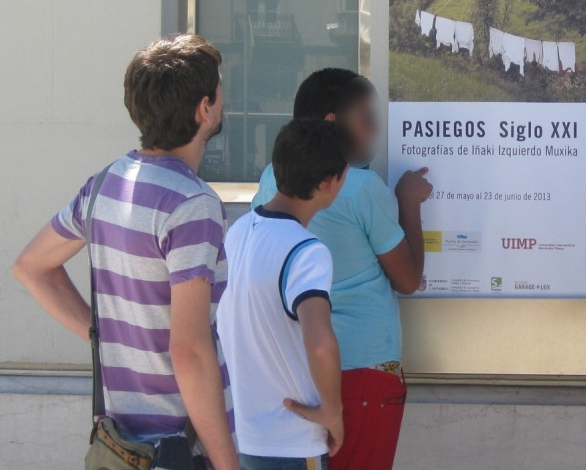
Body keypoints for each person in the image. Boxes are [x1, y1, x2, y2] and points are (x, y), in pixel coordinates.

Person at [12, 35, 239, 469]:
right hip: (175, 450)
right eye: (221, 90)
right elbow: (189, 351)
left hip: (117, 449)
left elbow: (32, 267)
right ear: (204, 108)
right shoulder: (193, 204)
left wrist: (105, 338)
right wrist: (228, 463)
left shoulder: (105, 183)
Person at [252, 68, 432, 470]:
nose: (374, 130)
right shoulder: (364, 187)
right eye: (365, 118)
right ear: (333, 126)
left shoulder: (271, 181)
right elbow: (407, 279)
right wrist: (409, 203)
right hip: (363, 374)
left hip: (296, 373)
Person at [218, 119, 349, 470]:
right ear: (329, 182)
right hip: (293, 442)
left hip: (240, 437)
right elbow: (320, 342)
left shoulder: (239, 230)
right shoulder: (307, 251)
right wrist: (333, 413)